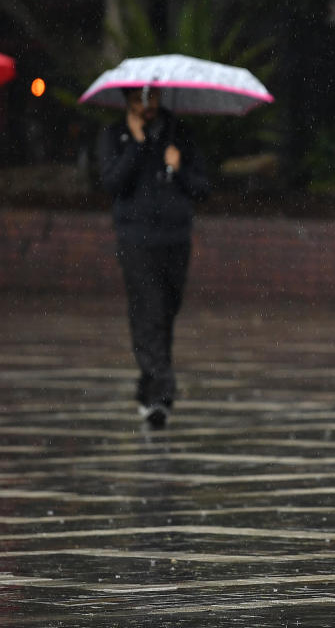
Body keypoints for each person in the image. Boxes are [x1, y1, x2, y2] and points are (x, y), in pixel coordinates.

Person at [97, 87, 209, 428]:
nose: (146, 108)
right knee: (149, 308)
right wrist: (136, 143)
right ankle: (162, 391)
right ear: (127, 103)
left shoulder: (181, 135)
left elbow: (203, 187)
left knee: (166, 310)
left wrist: (178, 168)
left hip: (174, 237)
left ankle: (149, 387)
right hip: (136, 238)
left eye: (151, 100)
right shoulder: (113, 136)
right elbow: (112, 183)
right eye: (138, 102)